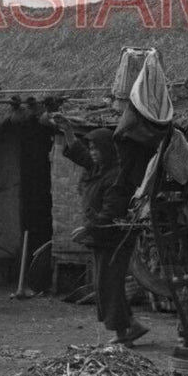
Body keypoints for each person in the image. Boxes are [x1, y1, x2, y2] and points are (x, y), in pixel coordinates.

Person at [53, 115, 149, 346]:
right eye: (91, 147)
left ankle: (123, 332)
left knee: (108, 284)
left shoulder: (115, 176)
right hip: (101, 236)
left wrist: (87, 228)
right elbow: (80, 155)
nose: (93, 152)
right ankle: (130, 326)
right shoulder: (98, 168)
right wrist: (67, 131)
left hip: (113, 236)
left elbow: (110, 211)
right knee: (106, 283)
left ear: (107, 149)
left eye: (97, 148)